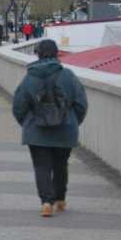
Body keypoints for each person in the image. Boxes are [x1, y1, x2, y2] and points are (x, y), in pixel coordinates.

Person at [11, 39, 88, 217]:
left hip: (37, 131)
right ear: (57, 53)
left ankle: (46, 202)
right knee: (61, 165)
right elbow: (81, 104)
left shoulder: (30, 77)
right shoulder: (68, 75)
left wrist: (29, 123)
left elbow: (18, 106)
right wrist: (72, 121)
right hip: (65, 128)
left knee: (41, 166)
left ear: (37, 54)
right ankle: (60, 199)